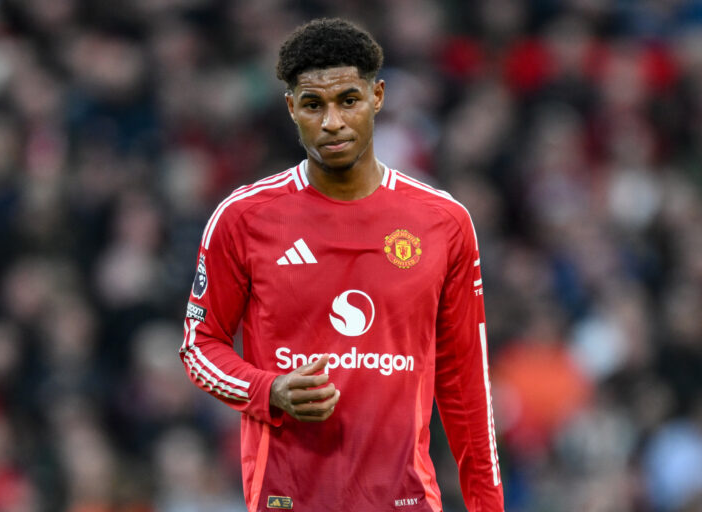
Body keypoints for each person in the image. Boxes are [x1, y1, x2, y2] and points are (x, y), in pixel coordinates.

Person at [180, 18, 504, 512]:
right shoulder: (243, 218)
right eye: (314, 104)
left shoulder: (443, 222)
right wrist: (270, 389)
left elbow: (466, 386)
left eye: (347, 100)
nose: (332, 121)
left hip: (404, 499)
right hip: (287, 499)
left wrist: (488, 506)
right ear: (292, 108)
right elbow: (198, 347)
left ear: (377, 96)